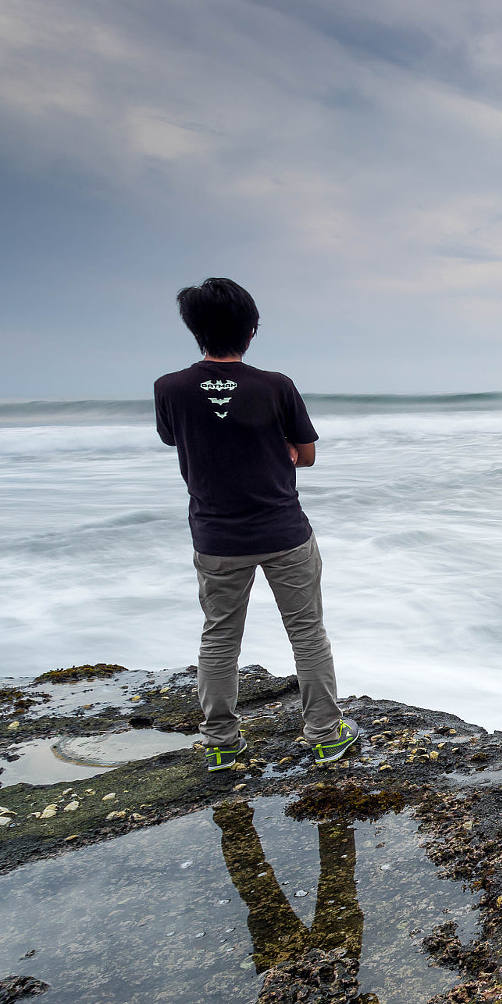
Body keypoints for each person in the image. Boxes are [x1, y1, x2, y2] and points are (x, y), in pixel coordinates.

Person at [153, 277, 360, 769]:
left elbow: (173, 439)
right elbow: (305, 455)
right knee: (307, 631)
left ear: (193, 330)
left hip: (216, 536)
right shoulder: (275, 386)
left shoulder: (170, 388)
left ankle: (222, 741)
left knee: (220, 636)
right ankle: (326, 734)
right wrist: (279, 449)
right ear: (252, 331)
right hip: (283, 531)